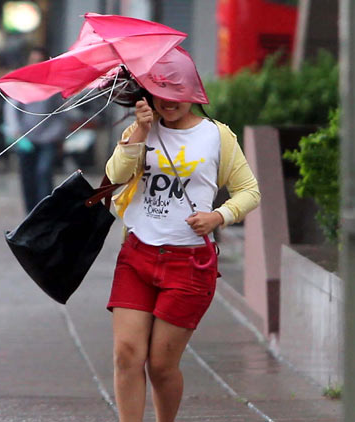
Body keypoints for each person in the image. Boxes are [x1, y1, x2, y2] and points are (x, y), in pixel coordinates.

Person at [105, 48, 261, 422]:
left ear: (192, 91)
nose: (168, 102)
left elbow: (249, 191)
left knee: (161, 365)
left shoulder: (216, 136)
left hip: (189, 265)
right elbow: (113, 179)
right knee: (126, 353)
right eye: (161, 92)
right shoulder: (140, 129)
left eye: (177, 93)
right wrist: (139, 133)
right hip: (137, 255)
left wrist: (218, 216)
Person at [3, 47, 68, 213]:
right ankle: (30, 212)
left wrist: (56, 134)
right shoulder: (23, 82)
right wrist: (16, 131)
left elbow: (62, 111)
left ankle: (45, 211)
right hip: (26, 139)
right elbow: (11, 107)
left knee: (43, 173)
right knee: (27, 177)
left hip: (47, 139)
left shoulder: (54, 84)